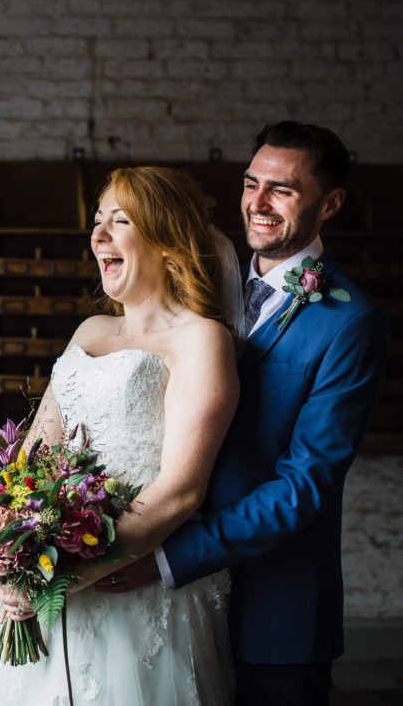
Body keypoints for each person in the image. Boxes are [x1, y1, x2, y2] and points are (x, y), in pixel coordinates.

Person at [99, 122, 389, 706]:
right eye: (250, 183)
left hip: (271, 608)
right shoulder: (200, 287)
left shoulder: (350, 322)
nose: (257, 204)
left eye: (282, 190)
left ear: (329, 204)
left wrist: (166, 560)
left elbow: (306, 485)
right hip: (165, 604)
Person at [0, 165, 242, 706]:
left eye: (120, 222)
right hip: (50, 582)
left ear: (168, 242)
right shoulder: (89, 331)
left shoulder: (202, 341)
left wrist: (67, 577)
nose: (98, 236)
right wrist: (7, 539)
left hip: (131, 585)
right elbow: (34, 458)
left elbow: (182, 491)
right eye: (97, 221)